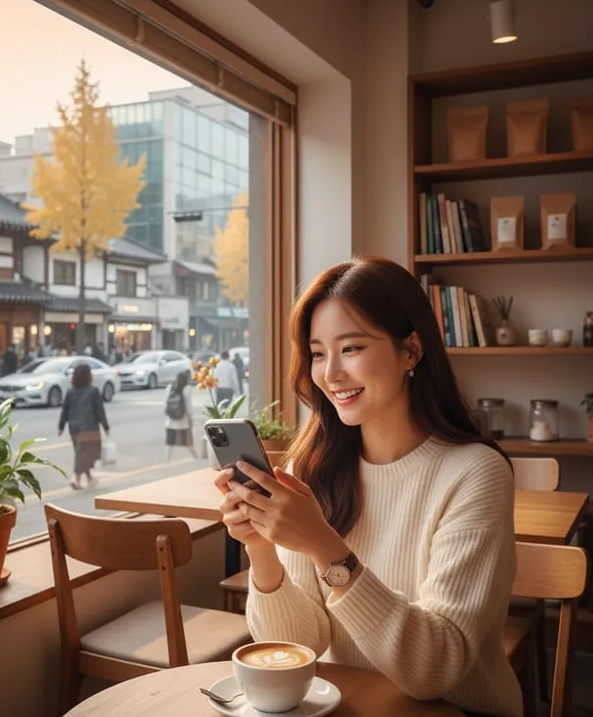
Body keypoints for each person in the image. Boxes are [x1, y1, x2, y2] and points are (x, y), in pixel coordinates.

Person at [214, 257, 521, 717]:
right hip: (351, 705)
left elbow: (434, 671)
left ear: (412, 351)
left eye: (351, 348)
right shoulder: (311, 467)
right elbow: (301, 645)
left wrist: (323, 544)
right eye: (318, 353)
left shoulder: (476, 474)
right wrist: (260, 547)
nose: (330, 373)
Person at [58, 362, 110, 490]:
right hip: (90, 428)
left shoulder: (70, 392)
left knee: (81, 452)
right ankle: (75, 477)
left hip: (74, 428)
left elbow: (65, 410)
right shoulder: (93, 391)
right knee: (85, 454)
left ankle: (89, 478)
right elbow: (99, 410)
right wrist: (106, 426)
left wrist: (61, 426)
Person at [164, 369, 197, 462]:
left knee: (169, 442)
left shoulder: (170, 388)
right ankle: (196, 457)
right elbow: (189, 407)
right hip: (183, 421)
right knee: (188, 442)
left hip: (170, 421)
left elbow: (166, 404)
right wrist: (191, 420)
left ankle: (167, 460)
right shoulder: (187, 389)